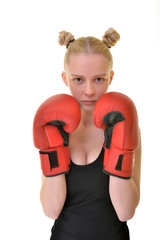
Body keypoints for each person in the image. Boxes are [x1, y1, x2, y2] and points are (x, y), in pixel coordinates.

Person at [33, 28, 141, 240]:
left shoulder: (125, 124)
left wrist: (118, 142)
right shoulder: (54, 125)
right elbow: (51, 210)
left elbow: (125, 211)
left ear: (110, 77)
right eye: (79, 80)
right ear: (65, 78)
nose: (89, 90)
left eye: (99, 79)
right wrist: (53, 143)